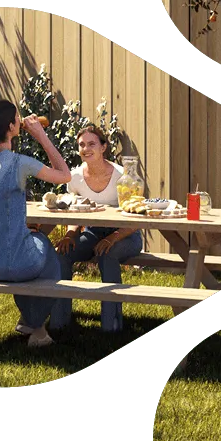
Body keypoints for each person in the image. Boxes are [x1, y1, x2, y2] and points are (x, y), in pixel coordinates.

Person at [0, 101, 71, 348]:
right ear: (12, 126)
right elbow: (65, 176)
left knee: (31, 248)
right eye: (18, 117)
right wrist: (42, 137)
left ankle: (36, 328)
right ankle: (35, 323)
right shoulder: (19, 163)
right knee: (46, 251)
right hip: (14, 264)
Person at [50, 125, 143, 333]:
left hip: (126, 235)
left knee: (106, 254)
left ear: (104, 147)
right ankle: (59, 323)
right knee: (62, 254)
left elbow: (136, 219)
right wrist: (71, 234)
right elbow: (76, 213)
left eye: (92, 144)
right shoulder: (74, 177)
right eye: (81, 145)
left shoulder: (122, 175)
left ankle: (111, 326)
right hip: (92, 233)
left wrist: (113, 238)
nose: (85, 148)